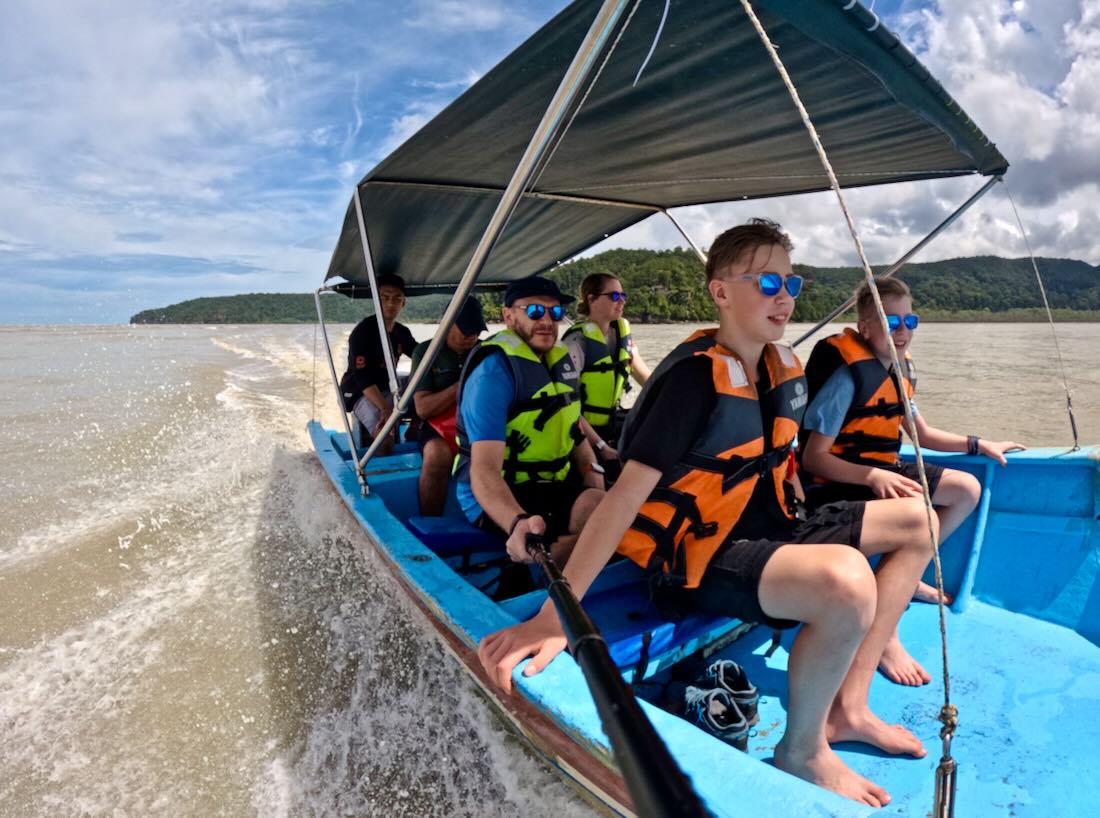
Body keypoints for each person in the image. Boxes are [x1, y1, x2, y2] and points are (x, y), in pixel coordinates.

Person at [479, 220, 939, 808]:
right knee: (847, 583)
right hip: (697, 557)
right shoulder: (692, 379)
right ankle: (802, 749)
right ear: (720, 291)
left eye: (791, 283)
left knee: (919, 520)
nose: (784, 296)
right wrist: (553, 616)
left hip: (769, 524)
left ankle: (849, 707)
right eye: (766, 280)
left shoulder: (780, 365)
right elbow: (621, 503)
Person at [799, 277, 1025, 685]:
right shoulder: (847, 377)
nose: (902, 330)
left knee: (966, 490)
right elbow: (813, 456)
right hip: (839, 480)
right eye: (890, 321)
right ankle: (886, 637)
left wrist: (980, 443)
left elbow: (922, 434)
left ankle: (901, 575)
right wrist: (872, 476)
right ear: (865, 327)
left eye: (910, 320)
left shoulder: (896, 370)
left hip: (879, 471)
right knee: (919, 516)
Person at [454, 275, 605, 571]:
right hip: (498, 492)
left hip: (551, 482)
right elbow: (483, 470)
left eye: (555, 312)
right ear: (508, 316)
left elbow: (573, 431)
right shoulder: (493, 375)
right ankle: (542, 574)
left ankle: (559, 559)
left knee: (615, 507)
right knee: (605, 515)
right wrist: (517, 521)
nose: (547, 320)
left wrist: (592, 469)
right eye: (535, 311)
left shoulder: (559, 363)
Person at [562, 273, 652, 467]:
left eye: (623, 296)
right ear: (591, 299)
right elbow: (567, 406)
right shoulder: (577, 343)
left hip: (611, 425)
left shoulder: (621, 336)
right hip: (581, 433)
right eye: (614, 296)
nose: (621, 302)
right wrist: (601, 446)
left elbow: (650, 381)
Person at [408, 297, 487, 515]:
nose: (473, 336)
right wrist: (459, 387)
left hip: (476, 423)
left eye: (477, 331)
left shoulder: (485, 352)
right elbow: (422, 408)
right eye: (467, 330)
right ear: (447, 324)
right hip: (435, 427)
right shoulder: (426, 352)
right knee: (436, 455)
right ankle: (431, 520)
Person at [339, 273, 416, 456]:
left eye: (397, 299)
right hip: (360, 391)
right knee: (385, 431)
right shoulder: (363, 332)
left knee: (423, 380)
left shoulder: (401, 332)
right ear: (376, 301)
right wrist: (385, 408)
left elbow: (421, 357)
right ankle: (383, 472)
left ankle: (416, 429)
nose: (391, 303)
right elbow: (363, 378)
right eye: (385, 298)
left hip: (389, 385)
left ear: (403, 303)